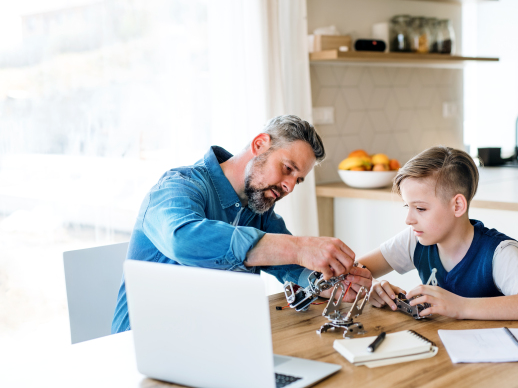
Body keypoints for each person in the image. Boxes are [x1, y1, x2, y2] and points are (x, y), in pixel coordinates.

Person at [111, 115, 372, 333]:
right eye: (287, 169)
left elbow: (295, 268)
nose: (290, 186)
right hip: (140, 350)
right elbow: (183, 239)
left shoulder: (259, 211)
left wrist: (336, 284)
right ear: (260, 144)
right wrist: (300, 247)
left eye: (298, 180)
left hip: (210, 342)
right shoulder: (179, 186)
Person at [359, 146, 518, 321]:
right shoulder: (415, 238)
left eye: (420, 209)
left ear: (457, 205)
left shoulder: (497, 252)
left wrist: (462, 307)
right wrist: (371, 287)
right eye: (408, 207)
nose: (409, 219)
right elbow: (353, 272)